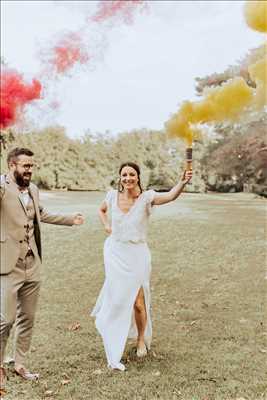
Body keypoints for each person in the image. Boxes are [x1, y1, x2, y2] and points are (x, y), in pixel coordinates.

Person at [91, 161, 192, 371]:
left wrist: (182, 181)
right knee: (118, 298)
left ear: (138, 177)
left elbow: (171, 196)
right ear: (120, 177)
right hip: (115, 253)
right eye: (124, 175)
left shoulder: (147, 198)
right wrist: (106, 225)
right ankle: (113, 331)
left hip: (137, 254)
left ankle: (140, 339)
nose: (128, 178)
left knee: (137, 301)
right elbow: (101, 210)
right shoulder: (111, 196)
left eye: (132, 174)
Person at [0, 147, 84, 389]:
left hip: (32, 263)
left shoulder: (34, 189)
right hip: (7, 264)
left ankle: (20, 363)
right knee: (5, 319)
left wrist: (70, 219)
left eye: (32, 166)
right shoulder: (3, 186)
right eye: (25, 166)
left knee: (28, 317)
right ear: (11, 165)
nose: (30, 170)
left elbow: (41, 213)